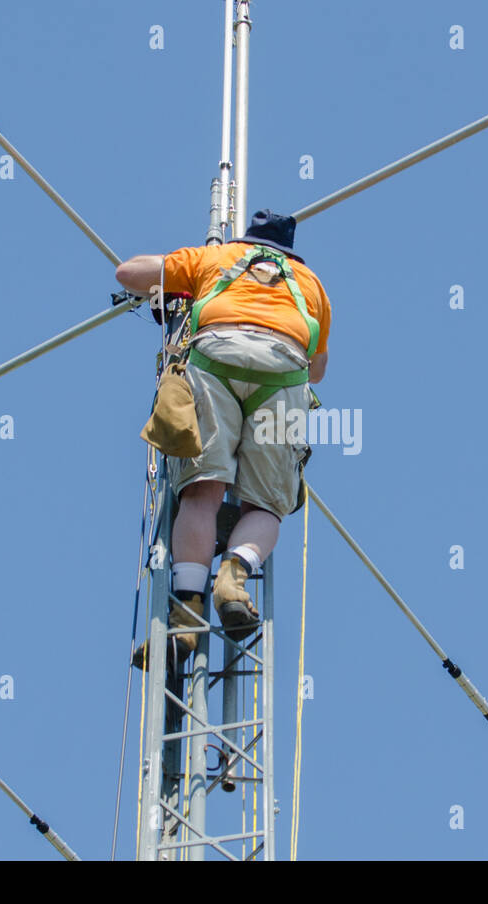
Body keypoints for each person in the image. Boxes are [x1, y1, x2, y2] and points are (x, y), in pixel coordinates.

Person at [116, 210, 332, 669]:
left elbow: (128, 273)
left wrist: (176, 284)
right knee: (266, 505)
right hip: (284, 373)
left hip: (216, 358)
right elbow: (318, 368)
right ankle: (233, 578)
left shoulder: (215, 258)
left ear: (248, 239)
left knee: (202, 492)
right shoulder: (311, 284)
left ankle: (186, 613)